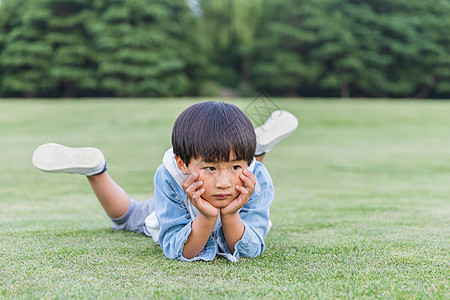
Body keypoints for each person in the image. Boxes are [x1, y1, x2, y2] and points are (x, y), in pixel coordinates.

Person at [32, 101, 298, 262]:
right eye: (209, 168)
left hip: (234, 183)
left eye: (237, 165)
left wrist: (230, 213)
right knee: (129, 217)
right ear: (183, 163)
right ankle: (96, 170)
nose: (224, 183)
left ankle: (255, 146)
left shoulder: (257, 179)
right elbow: (179, 250)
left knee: (232, 165)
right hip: (185, 206)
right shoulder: (170, 175)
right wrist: (206, 218)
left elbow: (251, 249)